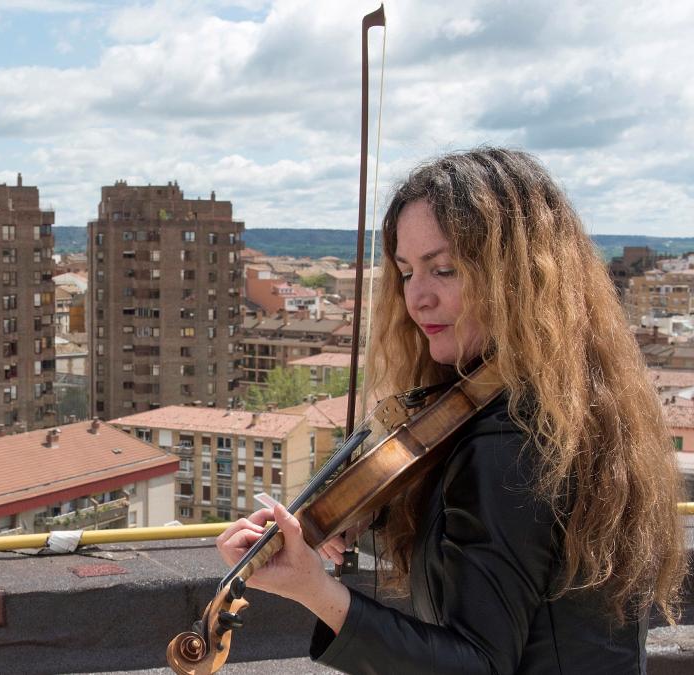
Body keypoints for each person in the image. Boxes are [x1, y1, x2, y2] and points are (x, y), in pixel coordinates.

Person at [216, 148, 686, 673]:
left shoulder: (510, 440)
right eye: (406, 271)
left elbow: (478, 663)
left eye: (444, 269)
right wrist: (375, 506)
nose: (417, 298)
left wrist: (313, 589)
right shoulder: (568, 405)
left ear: (522, 277)